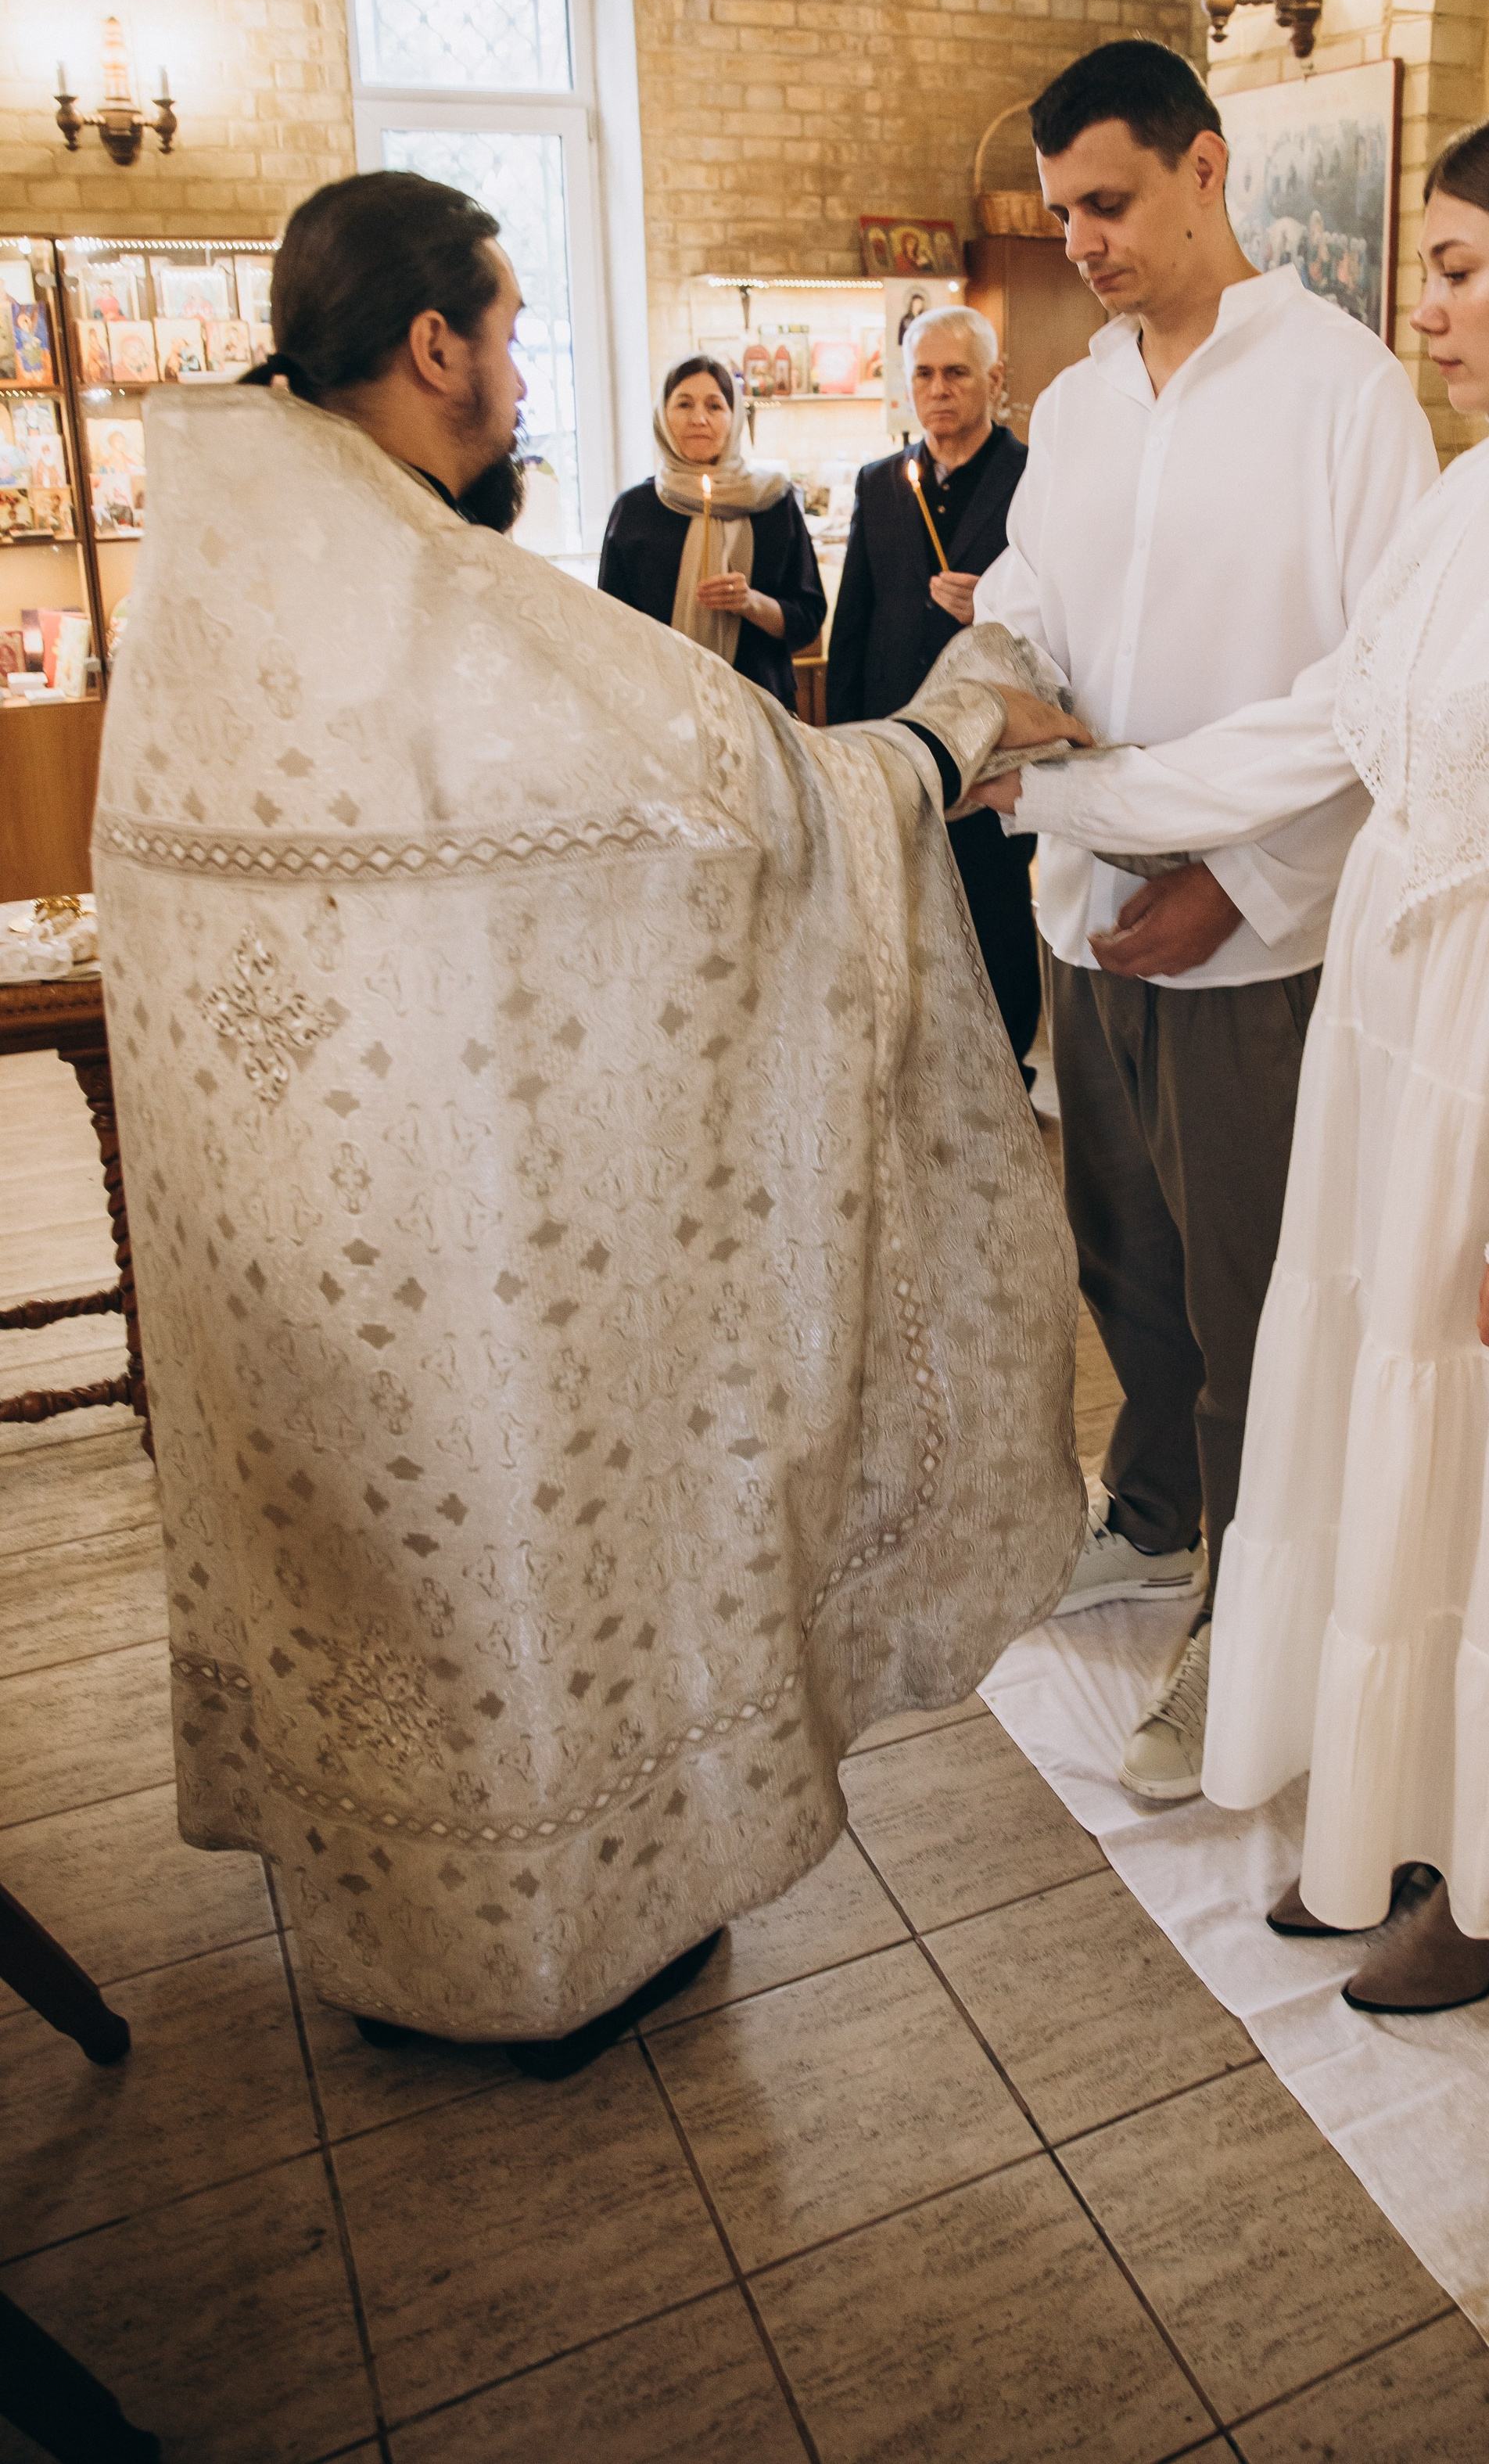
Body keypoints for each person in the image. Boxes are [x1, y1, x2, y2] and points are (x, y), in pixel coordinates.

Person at [91, 169, 1091, 2072]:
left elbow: (570, 821)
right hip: (463, 1238)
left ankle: (397, 1938)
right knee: (508, 1564)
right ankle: (561, 1934)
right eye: (514, 330)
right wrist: (951, 734)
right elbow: (767, 812)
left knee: (378, 1586)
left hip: (287, 1235)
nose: (524, 374)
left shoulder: (223, 576)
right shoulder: (430, 583)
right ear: (433, 343)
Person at [974, 88, 1489, 2007]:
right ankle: (1387, 1820)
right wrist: (1085, 796)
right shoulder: (1488, 487)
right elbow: (1338, 717)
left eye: (1454, 268)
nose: (1420, 310)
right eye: (1421, 270)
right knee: (1385, 1457)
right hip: (1389, 1062)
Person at [973, 38, 1437, 1803]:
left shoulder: (1343, 393)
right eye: (1061, 210)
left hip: (1252, 941)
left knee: (1254, 1296)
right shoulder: (1079, 399)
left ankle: (1250, 1617)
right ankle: (1151, 1512)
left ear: (1205, 169)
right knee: (1122, 1253)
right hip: (1084, 912)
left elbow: (1373, 690)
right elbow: (1029, 604)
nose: (1079, 239)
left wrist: (1235, 878)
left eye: (1106, 202)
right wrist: (971, 693)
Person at [828, 304, 1039, 1078]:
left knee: (991, 908)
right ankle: (923, 1063)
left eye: (956, 372)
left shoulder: (1031, 479)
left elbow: (1061, 609)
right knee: (904, 908)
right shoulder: (882, 483)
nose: (939, 389)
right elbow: (853, 617)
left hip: (991, 736)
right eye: (924, 373)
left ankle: (1006, 1064)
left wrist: (996, 600)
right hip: (894, 732)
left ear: (992, 379)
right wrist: (845, 745)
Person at [598, 354, 825, 712]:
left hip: (760, 705)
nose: (699, 418)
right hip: (666, 707)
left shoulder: (773, 502)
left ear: (734, 419)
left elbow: (808, 619)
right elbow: (611, 628)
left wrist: (751, 603)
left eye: (715, 406)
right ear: (662, 415)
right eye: (684, 404)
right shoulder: (636, 509)